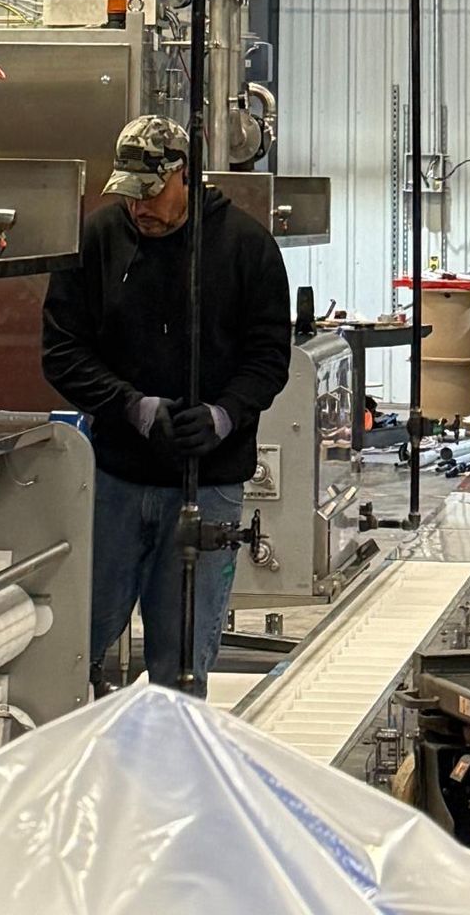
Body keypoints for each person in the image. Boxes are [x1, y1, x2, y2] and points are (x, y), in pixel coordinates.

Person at [42, 114, 292, 695]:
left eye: (150, 194)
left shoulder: (246, 247)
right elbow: (62, 352)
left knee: (180, 664)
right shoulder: (98, 239)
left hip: (208, 487)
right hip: (116, 482)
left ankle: (172, 776)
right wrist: (135, 408)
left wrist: (223, 416)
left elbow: (268, 358)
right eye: (128, 196)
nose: (138, 209)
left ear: (186, 174)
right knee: (75, 647)